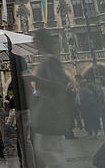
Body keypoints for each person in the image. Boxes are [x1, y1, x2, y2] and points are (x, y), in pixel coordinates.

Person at [29, 28, 73, 168]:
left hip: (50, 112)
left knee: (50, 153)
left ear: (42, 41)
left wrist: (34, 78)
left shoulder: (50, 60)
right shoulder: (47, 59)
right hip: (47, 112)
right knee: (47, 152)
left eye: (35, 39)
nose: (33, 42)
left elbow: (58, 85)